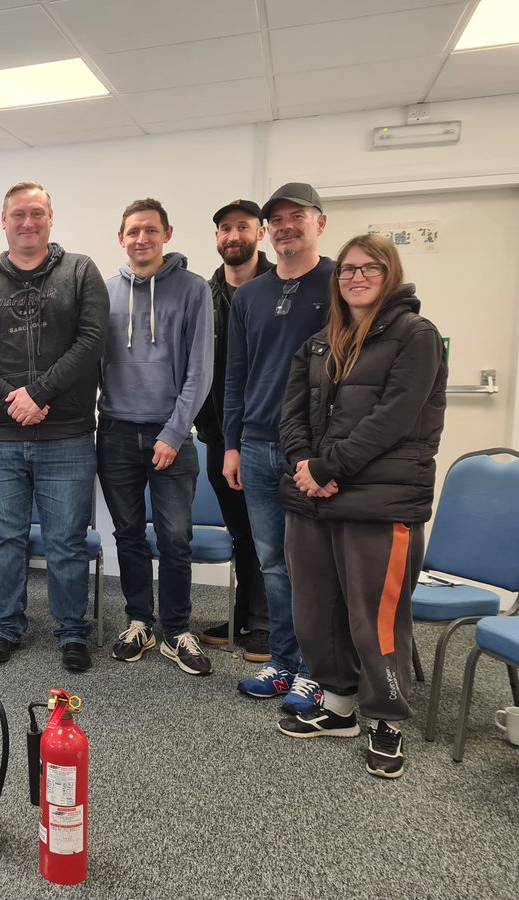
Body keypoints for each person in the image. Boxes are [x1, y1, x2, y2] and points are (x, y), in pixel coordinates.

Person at [276, 234, 446, 779]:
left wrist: (331, 467)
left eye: (368, 267)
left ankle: (386, 719)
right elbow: (292, 411)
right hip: (314, 500)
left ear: (389, 272)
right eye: (347, 269)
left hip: (378, 501)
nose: (355, 276)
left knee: (375, 619)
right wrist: (305, 464)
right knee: (316, 611)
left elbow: (395, 417)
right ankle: (339, 705)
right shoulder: (322, 341)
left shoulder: (415, 336)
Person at [0, 181, 108, 673]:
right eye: (18, 214)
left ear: (50, 217)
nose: (27, 222)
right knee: (3, 539)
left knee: (66, 540)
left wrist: (39, 394)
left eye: (36, 213)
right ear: (3, 221)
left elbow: (91, 340)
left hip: (67, 435)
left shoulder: (81, 271)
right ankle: (6, 626)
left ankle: (71, 631)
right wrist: (10, 398)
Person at [223, 183, 333, 713]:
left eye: (298, 216)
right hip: (257, 444)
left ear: (320, 223)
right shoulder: (250, 295)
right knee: (272, 563)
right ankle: (283, 663)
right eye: (278, 220)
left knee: (315, 565)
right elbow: (236, 375)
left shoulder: (340, 282)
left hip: (311, 452)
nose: (287, 226)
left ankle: (317, 669)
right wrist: (231, 443)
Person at [98, 198, 214, 676]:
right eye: (132, 231)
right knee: (127, 534)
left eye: (150, 230)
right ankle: (139, 620)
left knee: (175, 538)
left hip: (172, 437)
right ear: (121, 239)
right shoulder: (103, 293)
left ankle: (176, 629)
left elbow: (199, 370)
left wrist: (173, 431)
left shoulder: (193, 290)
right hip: (118, 434)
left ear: (167, 234)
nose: (141, 239)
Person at [195, 200, 273, 662]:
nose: (232, 236)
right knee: (240, 531)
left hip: (263, 435)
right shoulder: (205, 293)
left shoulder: (275, 290)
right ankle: (245, 617)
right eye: (225, 228)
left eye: (241, 227)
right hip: (217, 434)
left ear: (258, 232)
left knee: (266, 534)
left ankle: (265, 624)